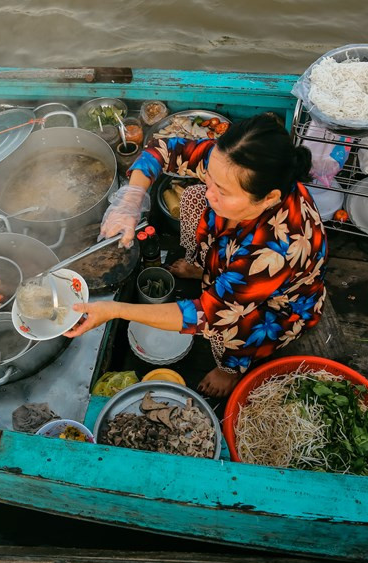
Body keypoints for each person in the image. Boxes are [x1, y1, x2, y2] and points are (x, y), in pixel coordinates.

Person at [69, 113, 328, 397]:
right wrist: (130, 200)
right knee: (193, 196)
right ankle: (202, 270)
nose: (210, 192)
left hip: (275, 305)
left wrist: (114, 310)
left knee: (231, 329)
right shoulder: (231, 163)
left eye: (223, 191)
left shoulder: (277, 248)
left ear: (269, 198)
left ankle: (229, 371)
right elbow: (164, 149)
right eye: (211, 179)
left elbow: (208, 315)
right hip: (233, 255)